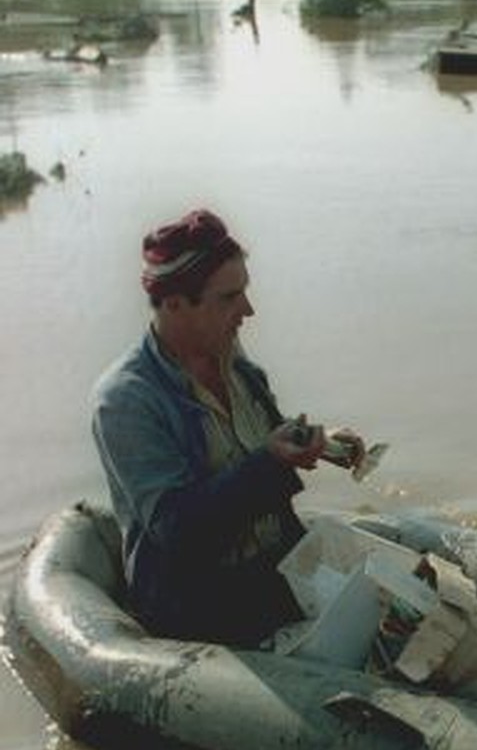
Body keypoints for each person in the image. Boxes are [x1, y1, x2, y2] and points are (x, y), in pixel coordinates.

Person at [92, 207, 365, 648]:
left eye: (245, 292)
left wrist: (326, 443)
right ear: (175, 304)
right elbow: (177, 530)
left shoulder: (232, 360)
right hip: (202, 607)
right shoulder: (126, 400)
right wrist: (269, 463)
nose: (248, 310)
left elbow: (266, 433)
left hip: (275, 572)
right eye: (229, 297)